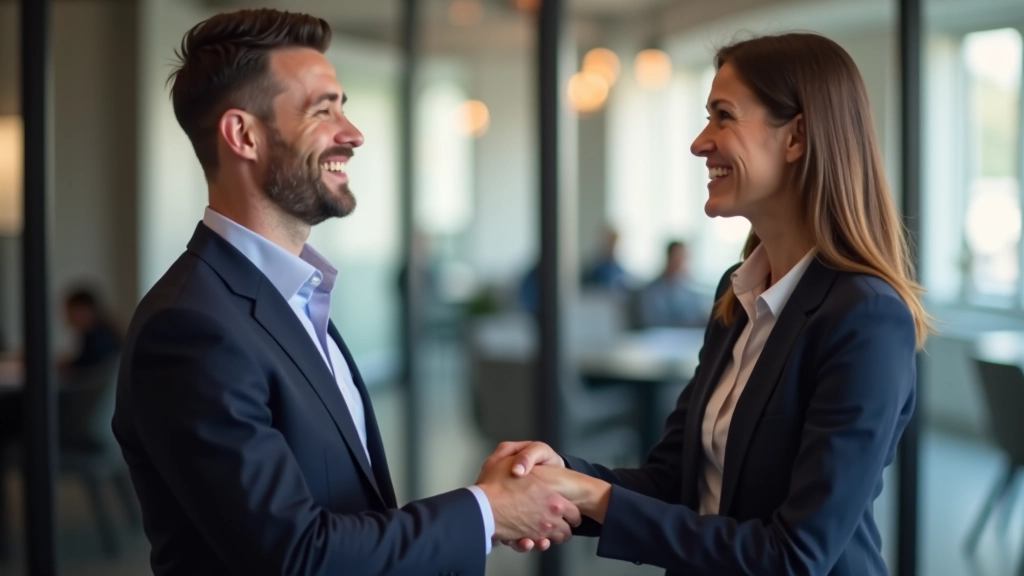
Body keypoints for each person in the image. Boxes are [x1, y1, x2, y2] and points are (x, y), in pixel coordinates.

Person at [111, 9, 578, 576]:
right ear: (244, 135)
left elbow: (350, 511)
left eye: (345, 106)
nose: (353, 133)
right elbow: (296, 556)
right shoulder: (189, 328)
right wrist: (487, 512)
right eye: (323, 109)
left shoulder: (297, 297)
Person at [486, 32, 932, 575]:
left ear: (797, 137)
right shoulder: (736, 293)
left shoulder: (865, 316)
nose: (700, 142)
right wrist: (561, 473)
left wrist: (589, 495)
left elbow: (792, 557)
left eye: (723, 116)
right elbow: (675, 483)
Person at [634, 241, 710, 328]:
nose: (681, 262)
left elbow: (699, 318)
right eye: (677, 257)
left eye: (684, 258)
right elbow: (650, 322)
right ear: (668, 257)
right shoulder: (649, 292)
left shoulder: (691, 294)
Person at [59, 286, 122, 376]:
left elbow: (89, 369)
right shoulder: (102, 331)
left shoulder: (99, 337)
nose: (68, 317)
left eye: (71, 311)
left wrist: (68, 367)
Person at [581, 228, 631, 294]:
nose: (613, 246)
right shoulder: (595, 269)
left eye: (615, 243)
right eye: (611, 242)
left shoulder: (620, 271)